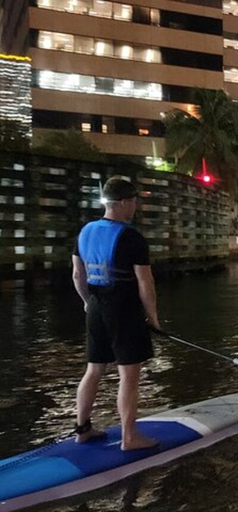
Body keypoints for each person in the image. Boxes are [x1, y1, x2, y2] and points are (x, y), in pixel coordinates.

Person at [71, 177, 160, 451]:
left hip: (96, 307)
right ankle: (129, 438)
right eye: (133, 202)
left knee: (94, 370)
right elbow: (145, 282)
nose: (134, 207)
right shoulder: (131, 236)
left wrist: (88, 303)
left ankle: (82, 429)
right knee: (129, 374)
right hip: (124, 310)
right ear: (122, 203)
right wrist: (153, 318)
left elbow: (77, 274)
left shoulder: (85, 231)